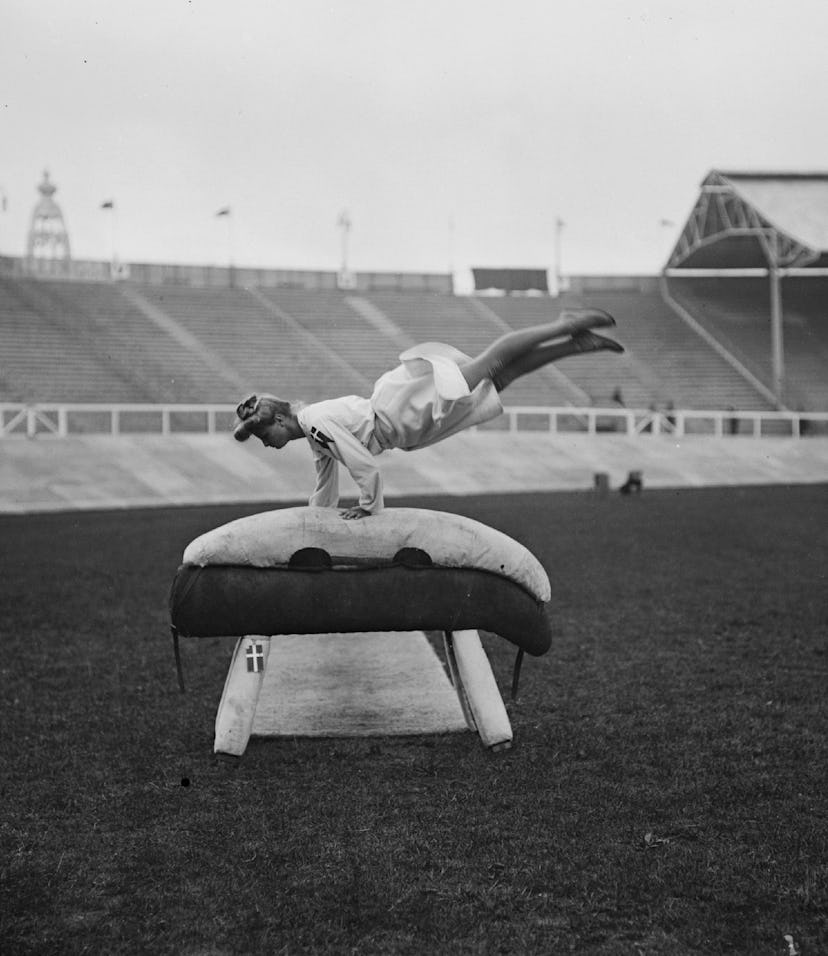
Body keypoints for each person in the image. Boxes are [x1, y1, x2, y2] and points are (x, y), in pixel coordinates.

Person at [233, 308, 624, 519]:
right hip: (403, 421)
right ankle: (577, 345)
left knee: (490, 364)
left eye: (266, 437)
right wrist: (315, 520)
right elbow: (326, 480)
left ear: (280, 422)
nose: (269, 445)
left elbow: (362, 465)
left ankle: (564, 325)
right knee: (499, 378)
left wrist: (369, 508)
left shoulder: (315, 424)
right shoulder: (310, 424)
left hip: (401, 411)